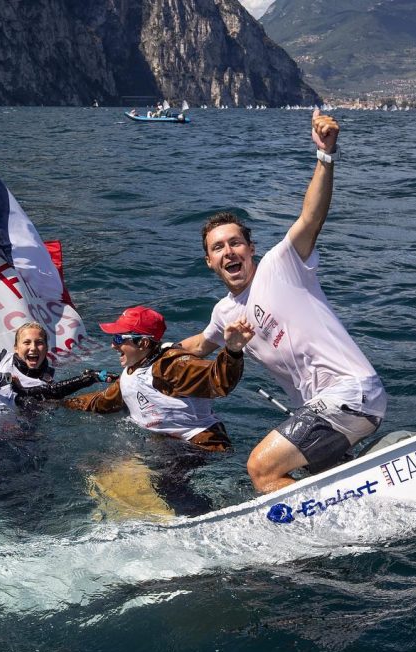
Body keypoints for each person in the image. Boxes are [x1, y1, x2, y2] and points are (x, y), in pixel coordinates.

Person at [179, 108, 387, 494]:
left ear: (251, 248)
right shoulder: (224, 312)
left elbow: (311, 217)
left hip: (352, 392)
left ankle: (300, 542)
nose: (229, 252)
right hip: (325, 409)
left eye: (235, 242)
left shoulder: (282, 264)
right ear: (209, 262)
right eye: (218, 248)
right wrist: (151, 354)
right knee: (314, 480)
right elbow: (199, 345)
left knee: (261, 468)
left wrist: (325, 156)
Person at [65, 305, 253, 451]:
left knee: (164, 486)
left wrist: (233, 351)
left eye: (120, 339)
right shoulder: (133, 370)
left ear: (144, 343)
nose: (113, 346)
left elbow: (218, 380)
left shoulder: (171, 365)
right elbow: (101, 402)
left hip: (203, 447)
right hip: (168, 446)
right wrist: (58, 402)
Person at [0, 322, 55, 388]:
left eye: (39, 342)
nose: (33, 348)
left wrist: (20, 391)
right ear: (16, 348)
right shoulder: (2, 361)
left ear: (46, 348)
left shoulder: (50, 382)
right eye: (27, 342)